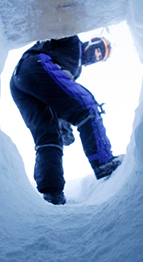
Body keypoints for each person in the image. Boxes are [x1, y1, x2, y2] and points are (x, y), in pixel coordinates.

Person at [10, 35, 123, 205]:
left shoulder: (73, 70)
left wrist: (63, 125)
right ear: (91, 42)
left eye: (100, 58)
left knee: (49, 136)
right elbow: (57, 26)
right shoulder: (71, 41)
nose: (97, 56)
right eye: (99, 50)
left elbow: (59, 97)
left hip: (20, 81)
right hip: (35, 64)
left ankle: (51, 193)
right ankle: (103, 161)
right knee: (87, 106)